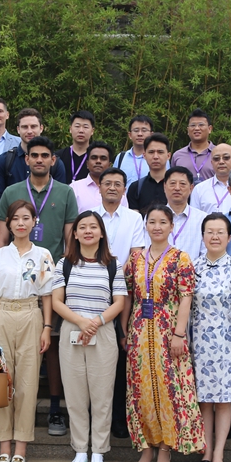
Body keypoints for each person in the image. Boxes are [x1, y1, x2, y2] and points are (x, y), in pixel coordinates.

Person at [0, 135, 79, 436]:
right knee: (10, 354)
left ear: (53, 160)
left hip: (50, 279)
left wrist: (63, 275)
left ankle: (55, 409)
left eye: (45, 155)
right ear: (27, 159)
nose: (40, 160)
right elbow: (1, 239)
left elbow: (70, 239)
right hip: (15, 281)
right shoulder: (12, 191)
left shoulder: (66, 192)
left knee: (52, 345)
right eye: (35, 155)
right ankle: (6, 412)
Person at [121, 205, 205, 462]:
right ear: (145, 225)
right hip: (138, 332)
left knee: (169, 390)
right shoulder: (135, 259)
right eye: (152, 222)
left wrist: (179, 334)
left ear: (171, 226)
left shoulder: (181, 259)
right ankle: (146, 448)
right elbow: (128, 296)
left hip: (168, 331)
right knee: (141, 390)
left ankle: (166, 449)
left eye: (162, 222)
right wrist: (124, 330)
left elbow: (186, 298)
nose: (157, 227)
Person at [0, 200, 56, 462]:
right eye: (15, 218)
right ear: (8, 223)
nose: (21, 223)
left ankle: (21, 449)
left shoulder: (43, 255)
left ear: (34, 221)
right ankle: (4, 448)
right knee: (2, 381)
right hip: (2, 315)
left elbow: (47, 294)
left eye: (26, 218)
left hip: (30, 315)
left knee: (27, 384)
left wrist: (47, 327)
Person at [53, 211, 127, 462]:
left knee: (102, 397)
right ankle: (80, 450)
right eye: (82, 227)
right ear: (74, 233)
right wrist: (81, 322)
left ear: (101, 232)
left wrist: (95, 322)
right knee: (75, 396)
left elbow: (119, 302)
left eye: (93, 227)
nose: (88, 231)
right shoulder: (64, 264)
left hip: (103, 331)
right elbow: (56, 302)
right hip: (72, 330)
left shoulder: (113, 265)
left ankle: (98, 452)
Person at [189, 213, 231, 462]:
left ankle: (219, 456)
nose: (215, 237)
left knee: (224, 400)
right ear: (203, 236)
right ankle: (205, 452)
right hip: (198, 344)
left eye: (220, 232)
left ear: (229, 237)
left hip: (228, 343)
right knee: (203, 400)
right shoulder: (193, 266)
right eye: (210, 232)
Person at [88, 166, 145, 440]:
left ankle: (119, 418)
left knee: (121, 357)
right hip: (91, 290)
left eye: (117, 184)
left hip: (124, 292)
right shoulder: (89, 216)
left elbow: (136, 256)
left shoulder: (135, 218)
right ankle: (92, 417)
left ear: (124, 189)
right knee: (93, 355)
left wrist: (114, 277)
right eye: (107, 183)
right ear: (99, 187)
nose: (112, 187)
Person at [0, 108, 67, 209]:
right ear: (18, 129)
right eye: (25, 127)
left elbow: (61, 198)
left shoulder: (55, 163)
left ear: (41, 128)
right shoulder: (4, 161)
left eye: (33, 126)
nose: (29, 131)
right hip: (13, 217)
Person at [158, 167, 206, 259]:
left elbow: (205, 254)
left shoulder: (202, 218)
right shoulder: (153, 218)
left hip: (194, 268)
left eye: (182, 184)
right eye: (172, 183)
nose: (177, 188)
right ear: (164, 187)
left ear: (191, 188)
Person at [190, 143, 231, 215]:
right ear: (212, 163)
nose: (221, 162)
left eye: (226, 158)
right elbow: (194, 217)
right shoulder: (199, 189)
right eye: (216, 159)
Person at [70, 141, 127, 211]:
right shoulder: (74, 188)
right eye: (94, 158)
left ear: (109, 165)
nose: (98, 161)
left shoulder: (118, 190)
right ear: (87, 164)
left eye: (103, 158)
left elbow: (125, 215)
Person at [113, 115, 165, 188]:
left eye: (144, 130)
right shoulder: (121, 157)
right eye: (136, 130)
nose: (140, 134)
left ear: (151, 134)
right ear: (130, 135)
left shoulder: (159, 158)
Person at [126, 133, 170, 215]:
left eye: (160, 152)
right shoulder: (135, 188)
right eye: (151, 152)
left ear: (168, 156)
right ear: (144, 155)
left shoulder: (176, 187)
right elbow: (134, 219)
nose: (155, 156)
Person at [171, 109, 215, 184]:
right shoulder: (178, 155)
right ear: (188, 130)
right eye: (193, 125)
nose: (197, 128)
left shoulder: (219, 154)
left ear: (209, 129)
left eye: (201, 125)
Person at [60, 110, 96, 184]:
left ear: (92, 131)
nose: (81, 130)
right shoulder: (59, 156)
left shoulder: (96, 158)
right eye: (77, 126)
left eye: (85, 127)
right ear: (70, 129)